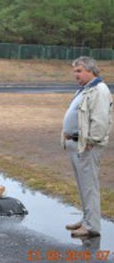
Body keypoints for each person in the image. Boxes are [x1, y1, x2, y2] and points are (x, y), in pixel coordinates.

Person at [61, 56, 112, 237]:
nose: (76, 75)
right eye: (74, 71)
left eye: (79, 71)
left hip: (87, 147)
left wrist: (91, 141)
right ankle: (87, 219)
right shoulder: (86, 89)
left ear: (90, 70)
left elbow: (100, 120)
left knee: (89, 186)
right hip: (78, 144)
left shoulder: (99, 90)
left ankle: (91, 227)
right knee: (84, 186)